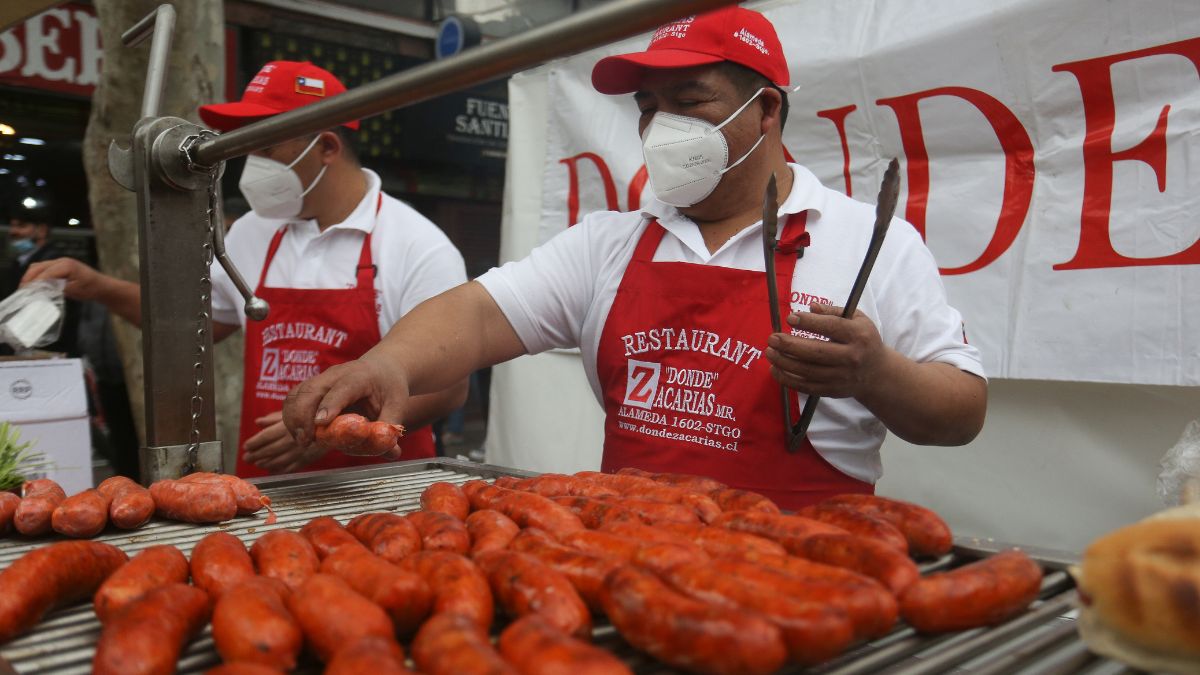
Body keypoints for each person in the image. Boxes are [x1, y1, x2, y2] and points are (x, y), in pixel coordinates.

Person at [282, 8, 987, 508]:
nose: (660, 127)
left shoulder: (870, 241)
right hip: (628, 555)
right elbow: (477, 314)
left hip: (801, 576)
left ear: (767, 111)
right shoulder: (611, 242)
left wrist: (878, 374)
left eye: (690, 100)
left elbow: (961, 411)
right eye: (650, 106)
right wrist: (387, 364)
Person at [24, 61, 469, 477]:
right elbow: (192, 325)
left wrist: (329, 430)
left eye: (265, 144)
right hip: (270, 486)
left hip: (379, 487)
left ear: (327, 147)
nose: (248, 160)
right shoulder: (252, 233)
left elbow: (448, 389)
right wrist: (96, 286)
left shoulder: (416, 244)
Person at [3, 203, 79, 356]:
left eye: (21, 226)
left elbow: (45, 315)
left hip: (48, 354)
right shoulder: (18, 263)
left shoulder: (55, 264)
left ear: (42, 230)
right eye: (12, 226)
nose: (13, 232)